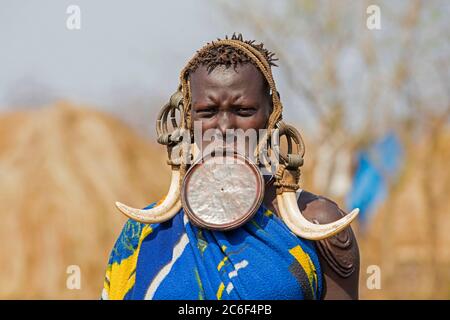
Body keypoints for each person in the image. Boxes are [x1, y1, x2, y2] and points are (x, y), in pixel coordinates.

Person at [101, 34, 359, 300]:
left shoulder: (320, 224)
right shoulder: (147, 234)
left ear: (271, 115)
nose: (224, 128)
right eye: (208, 112)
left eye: (244, 111)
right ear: (188, 118)